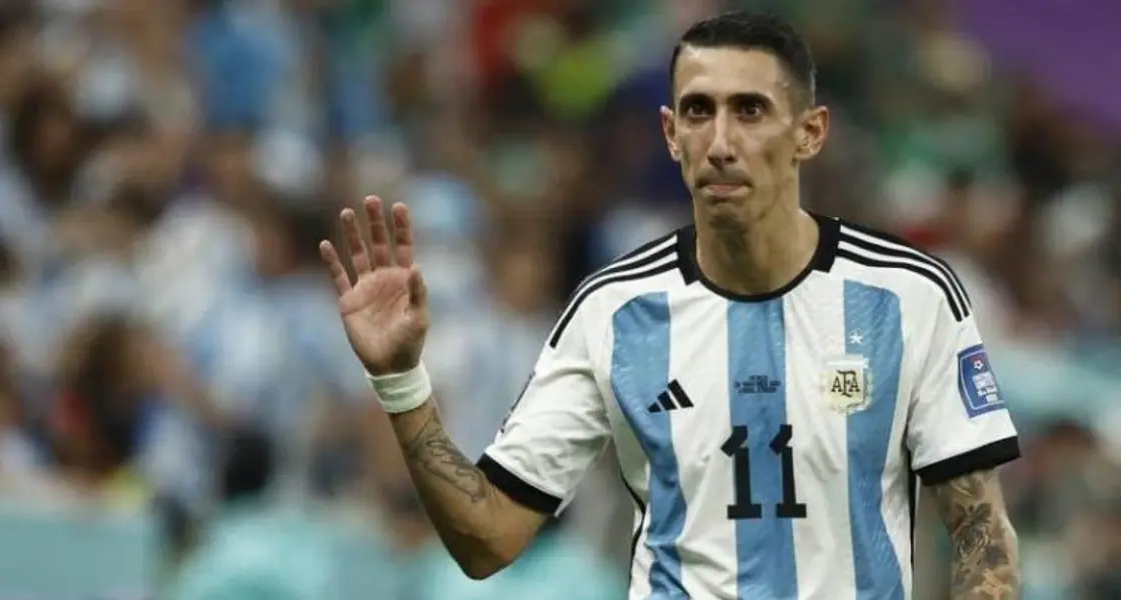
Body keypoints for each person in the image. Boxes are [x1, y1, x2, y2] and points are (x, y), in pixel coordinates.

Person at [318, 11, 1022, 600]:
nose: (720, 142)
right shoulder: (615, 311)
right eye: (698, 111)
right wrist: (401, 382)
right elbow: (488, 539)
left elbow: (980, 532)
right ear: (670, 134)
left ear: (809, 131)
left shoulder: (907, 297)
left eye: (750, 110)